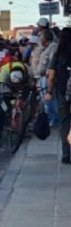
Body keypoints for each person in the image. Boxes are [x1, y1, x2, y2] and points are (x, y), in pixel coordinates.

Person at [45, 27, 71, 164]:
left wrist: (49, 91)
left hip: (62, 91)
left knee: (64, 122)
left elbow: (51, 76)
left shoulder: (58, 54)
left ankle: (66, 154)